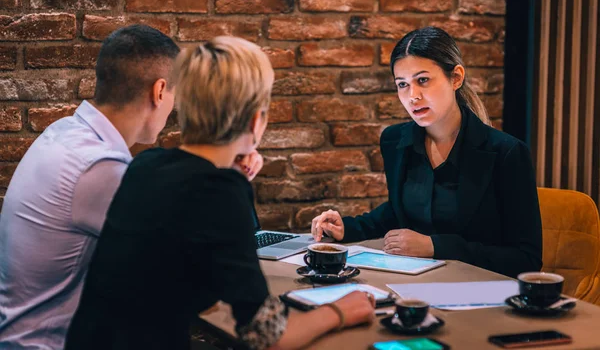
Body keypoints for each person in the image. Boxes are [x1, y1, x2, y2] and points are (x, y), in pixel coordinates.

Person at [65, 37, 375, 350]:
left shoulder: (147, 164)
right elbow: (268, 336)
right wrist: (340, 311)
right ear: (256, 121)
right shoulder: (219, 190)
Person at [0, 25, 181, 349]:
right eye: (174, 96)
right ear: (159, 90)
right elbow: (176, 261)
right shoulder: (99, 166)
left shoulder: (65, 131)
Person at [311, 27, 542, 279]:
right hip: (413, 284)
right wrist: (348, 228)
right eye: (402, 85)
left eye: (422, 80)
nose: (413, 96)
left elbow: (526, 259)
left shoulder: (507, 153)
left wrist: (435, 246)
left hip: (477, 290)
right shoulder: (395, 140)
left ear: (456, 78)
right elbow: (401, 211)